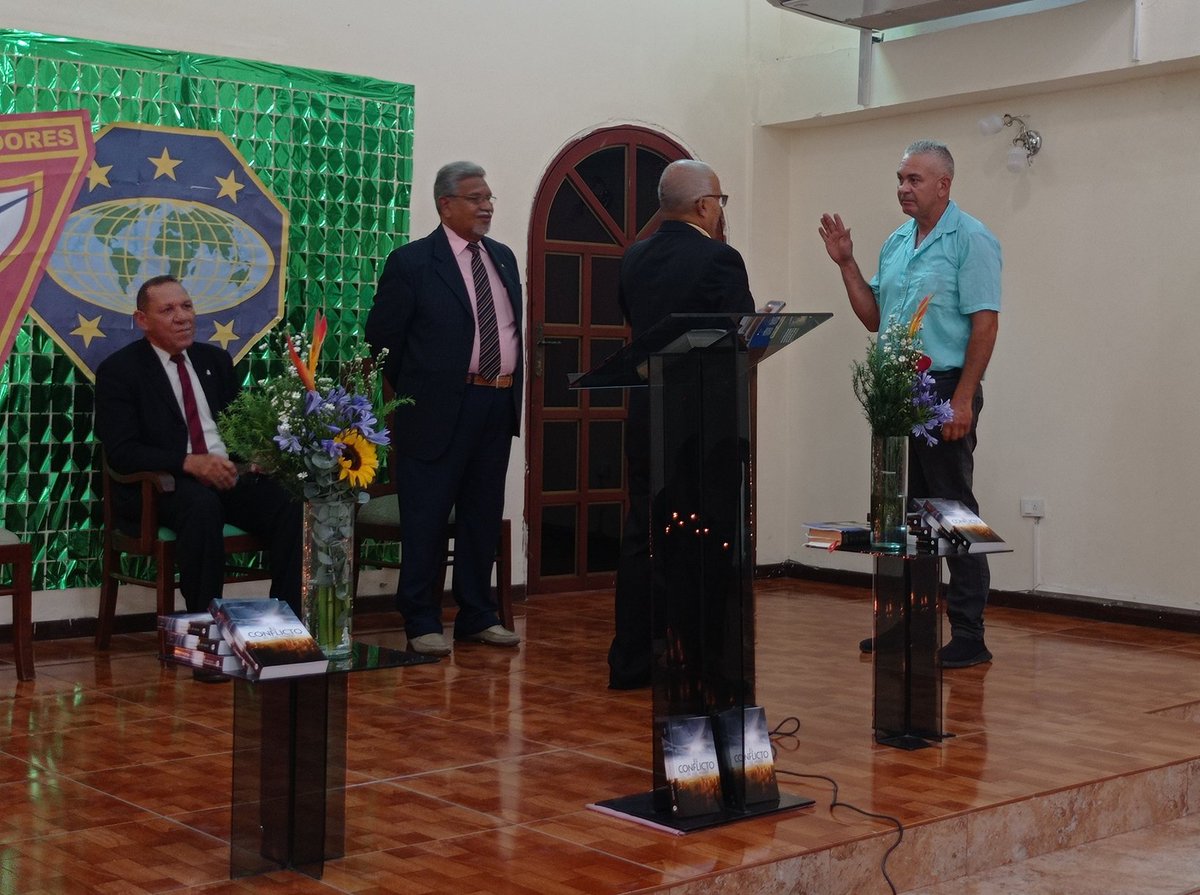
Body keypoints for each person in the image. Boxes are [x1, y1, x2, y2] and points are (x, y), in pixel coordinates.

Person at [818, 139, 1001, 668]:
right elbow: (874, 317)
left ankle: (969, 632)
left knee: (953, 510)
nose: (903, 188)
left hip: (944, 386)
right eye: (900, 178)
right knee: (902, 514)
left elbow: (985, 325)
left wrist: (963, 399)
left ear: (944, 184)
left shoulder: (971, 239)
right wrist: (847, 263)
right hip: (897, 389)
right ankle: (905, 624)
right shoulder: (898, 242)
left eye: (914, 179)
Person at [94, 275, 303, 675]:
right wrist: (188, 461)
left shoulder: (215, 362)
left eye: (186, 307)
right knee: (201, 506)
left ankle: (278, 635)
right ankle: (208, 647)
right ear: (142, 319)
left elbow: (237, 428)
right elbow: (122, 451)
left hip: (226, 476)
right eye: (168, 310)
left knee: (290, 500)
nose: (182, 317)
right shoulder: (120, 371)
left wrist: (256, 455)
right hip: (164, 486)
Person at [608, 159, 756, 689]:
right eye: (720, 201)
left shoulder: (634, 257)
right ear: (703, 206)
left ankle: (631, 659)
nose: (721, 211)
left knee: (643, 533)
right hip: (704, 422)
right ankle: (702, 657)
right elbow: (741, 332)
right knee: (705, 536)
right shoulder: (721, 259)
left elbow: (633, 318)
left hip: (649, 413)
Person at [366, 161, 522, 657]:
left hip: (496, 401)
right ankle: (421, 619)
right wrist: (420, 389)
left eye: (489, 197)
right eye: (476, 198)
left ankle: (478, 614)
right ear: (445, 204)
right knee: (427, 517)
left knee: (480, 514)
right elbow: (382, 341)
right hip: (434, 410)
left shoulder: (503, 257)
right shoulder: (412, 262)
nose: (487, 206)